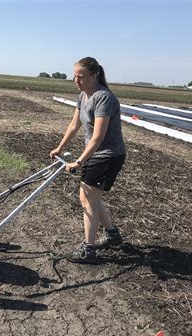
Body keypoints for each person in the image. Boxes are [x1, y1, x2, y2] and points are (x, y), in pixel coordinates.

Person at [50, 57, 126, 264]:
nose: (76, 80)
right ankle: (112, 235)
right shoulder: (83, 96)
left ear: (95, 75)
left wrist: (79, 161)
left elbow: (98, 137)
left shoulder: (104, 98)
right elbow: (74, 124)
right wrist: (60, 147)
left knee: (87, 198)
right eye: (74, 76)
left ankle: (88, 249)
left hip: (108, 155)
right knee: (90, 198)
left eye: (81, 77)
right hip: (95, 153)